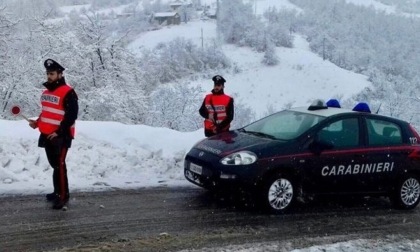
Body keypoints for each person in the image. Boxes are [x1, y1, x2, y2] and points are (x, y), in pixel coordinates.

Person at [29, 59, 79, 210]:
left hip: (61, 136)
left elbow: (71, 116)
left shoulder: (68, 92)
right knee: (55, 165)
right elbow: (47, 113)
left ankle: (63, 196)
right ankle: (57, 192)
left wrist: (58, 132)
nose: (49, 76)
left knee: (60, 165)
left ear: (60, 74)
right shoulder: (45, 93)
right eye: (47, 74)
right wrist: (37, 122)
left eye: (52, 73)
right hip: (46, 134)